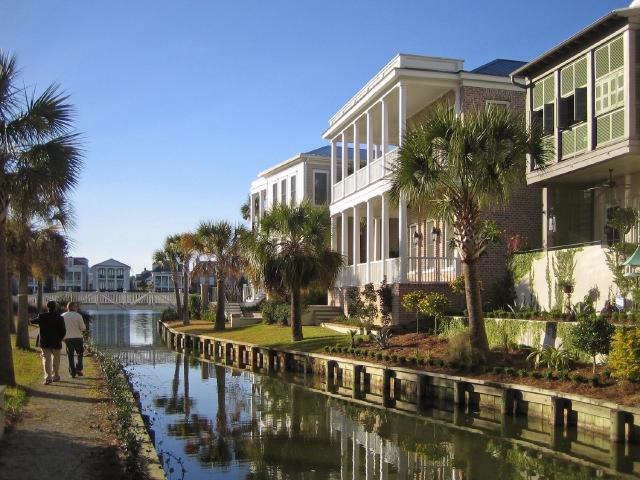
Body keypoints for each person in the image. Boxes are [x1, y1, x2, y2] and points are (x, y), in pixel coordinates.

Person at [31, 300, 66, 385]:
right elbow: (63, 331)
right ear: (55, 307)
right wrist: (60, 339)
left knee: (46, 360)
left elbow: (32, 321)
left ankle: (48, 378)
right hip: (56, 342)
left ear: (47, 307)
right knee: (56, 360)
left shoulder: (42, 316)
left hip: (45, 342)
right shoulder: (60, 318)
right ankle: (56, 376)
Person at [62, 302, 86, 378]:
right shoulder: (78, 316)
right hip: (78, 337)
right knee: (80, 353)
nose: (77, 308)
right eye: (76, 307)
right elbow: (83, 328)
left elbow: (61, 328)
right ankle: (79, 368)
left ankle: (72, 372)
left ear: (67, 307)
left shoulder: (62, 316)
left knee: (70, 355)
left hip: (68, 338)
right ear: (74, 307)